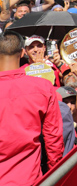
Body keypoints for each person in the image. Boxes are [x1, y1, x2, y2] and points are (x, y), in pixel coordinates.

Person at [0, 31, 64, 186]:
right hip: (29, 179)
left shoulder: (42, 87)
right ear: (23, 52)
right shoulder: (43, 87)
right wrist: (56, 174)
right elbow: (53, 139)